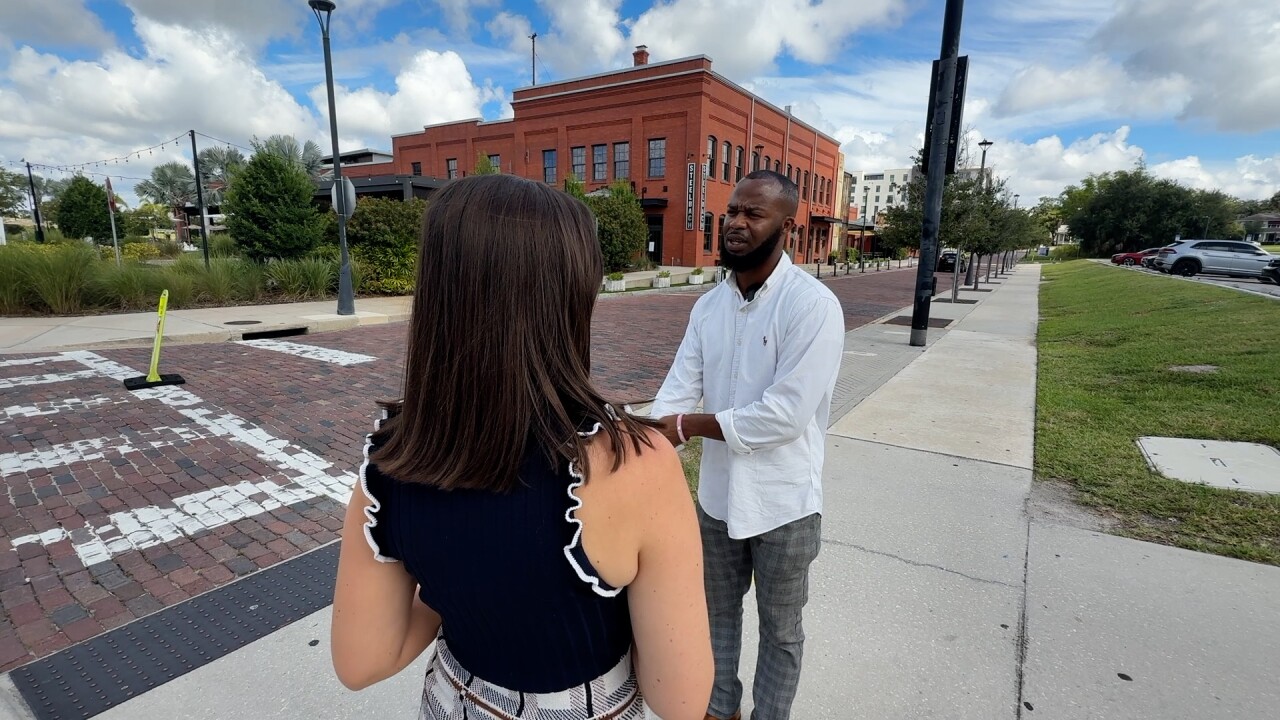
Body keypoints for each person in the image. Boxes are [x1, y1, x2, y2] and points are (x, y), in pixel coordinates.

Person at [330, 174, 713, 720]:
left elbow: (361, 660)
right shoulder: (635, 461)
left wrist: (459, 582)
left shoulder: (395, 458)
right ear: (573, 296)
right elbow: (681, 699)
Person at [650, 170, 845, 720]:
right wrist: (645, 431)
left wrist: (689, 426)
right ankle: (719, 711)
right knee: (716, 617)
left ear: (787, 227)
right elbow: (675, 395)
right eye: (732, 211)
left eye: (752, 214)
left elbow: (784, 417)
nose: (735, 223)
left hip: (784, 504)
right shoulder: (708, 308)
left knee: (782, 630)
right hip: (716, 498)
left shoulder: (812, 306)